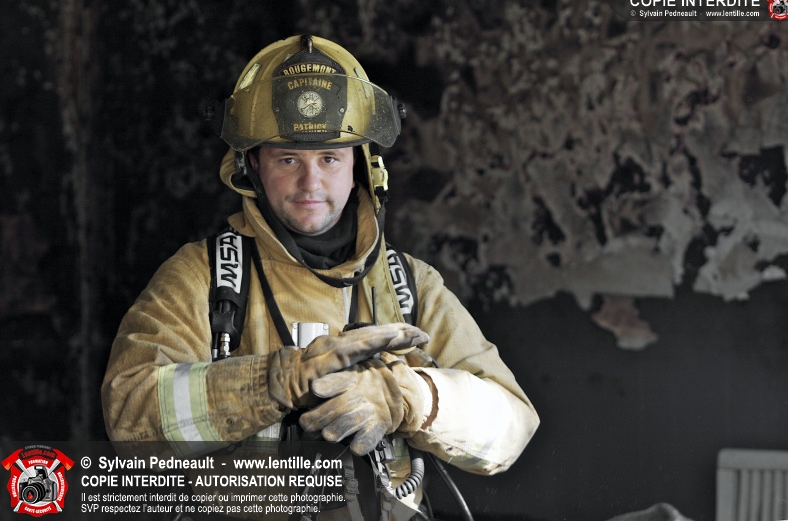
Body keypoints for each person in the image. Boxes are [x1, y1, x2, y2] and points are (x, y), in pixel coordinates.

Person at [101, 34, 539, 520]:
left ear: (360, 167)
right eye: (288, 159)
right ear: (252, 164)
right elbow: (130, 418)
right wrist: (275, 382)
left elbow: (512, 426)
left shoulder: (409, 285)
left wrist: (407, 397)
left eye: (330, 159)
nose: (310, 183)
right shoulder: (201, 278)